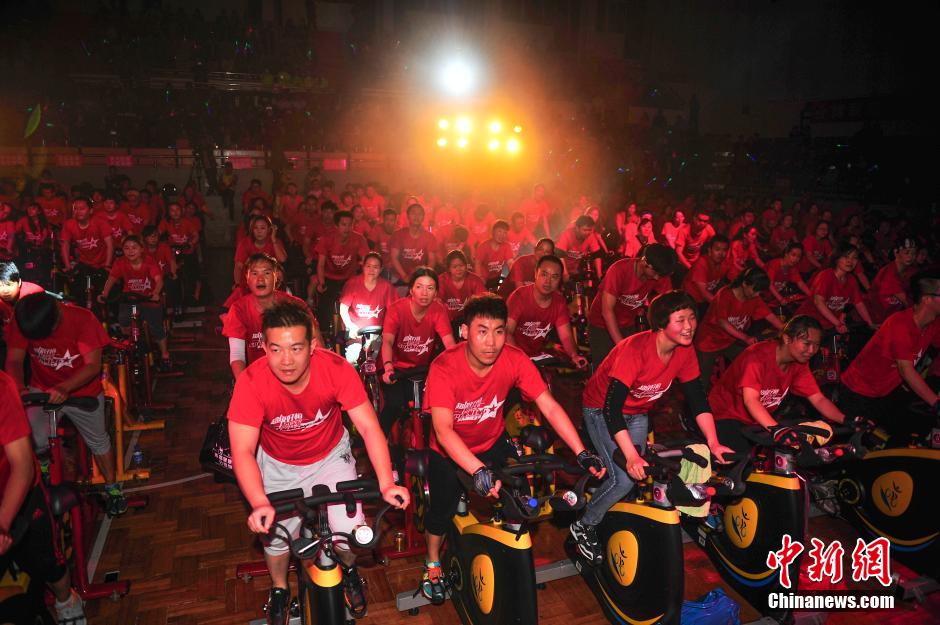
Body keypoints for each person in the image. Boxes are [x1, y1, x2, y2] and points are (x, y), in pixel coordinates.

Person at [227, 301, 409, 624]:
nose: (286, 361)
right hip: (279, 463)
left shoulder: (336, 369)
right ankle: (281, 588)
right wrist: (258, 502)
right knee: (277, 539)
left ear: (312, 345)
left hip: (329, 456)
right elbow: (242, 450)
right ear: (265, 348)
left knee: (349, 534)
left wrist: (386, 482)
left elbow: (368, 427)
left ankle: (349, 569)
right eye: (276, 349)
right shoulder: (251, 383)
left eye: (296, 348)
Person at [421, 293, 604, 598]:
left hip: (492, 442)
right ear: (464, 332)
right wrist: (477, 470)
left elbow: (550, 407)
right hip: (449, 452)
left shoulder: (515, 359)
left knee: (520, 498)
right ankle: (432, 562)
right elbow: (442, 430)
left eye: (498, 331)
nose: (491, 342)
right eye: (482, 331)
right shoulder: (444, 367)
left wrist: (581, 451)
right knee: (442, 511)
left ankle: (506, 550)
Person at [570, 291, 733, 563]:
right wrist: (631, 455)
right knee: (623, 477)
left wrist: (714, 442)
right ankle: (584, 524)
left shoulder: (684, 350)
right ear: (660, 324)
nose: (689, 326)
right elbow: (611, 409)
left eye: (692, 318)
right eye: (680, 320)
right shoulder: (635, 350)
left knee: (636, 474)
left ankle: (609, 505)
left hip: (637, 413)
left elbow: (697, 399)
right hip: (600, 411)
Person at [4, 293, 127, 516]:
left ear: (57, 318)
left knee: (98, 440)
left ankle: (113, 489)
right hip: (41, 388)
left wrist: (65, 388)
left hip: (82, 390)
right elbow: (14, 359)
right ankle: (42, 473)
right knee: (32, 436)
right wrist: (19, 387)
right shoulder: (23, 318)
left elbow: (92, 366)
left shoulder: (83, 319)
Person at [0, 369, 86, 624]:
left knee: (47, 562)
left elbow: (23, 466)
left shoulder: (2, 387)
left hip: (16, 495)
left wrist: (3, 523)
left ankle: (67, 602)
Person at [709, 315, 846, 454]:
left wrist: (846, 419)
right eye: (806, 343)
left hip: (754, 421)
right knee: (743, 464)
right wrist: (777, 429)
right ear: (787, 339)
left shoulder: (798, 363)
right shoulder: (756, 357)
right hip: (724, 415)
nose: (811, 350)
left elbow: (818, 399)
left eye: (816, 345)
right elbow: (751, 400)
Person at [839, 271, 940, 444]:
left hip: (884, 392)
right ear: (927, 299)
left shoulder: (932, 324)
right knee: (852, 446)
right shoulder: (900, 324)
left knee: (905, 433)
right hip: (858, 391)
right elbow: (906, 370)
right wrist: (937, 404)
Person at [379, 268, 456, 435]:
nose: (424, 293)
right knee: (394, 406)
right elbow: (387, 341)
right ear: (411, 289)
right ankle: (376, 444)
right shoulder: (397, 309)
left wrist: (458, 366)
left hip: (423, 369)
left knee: (435, 409)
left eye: (430, 288)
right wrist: (388, 367)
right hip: (396, 368)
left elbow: (449, 342)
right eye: (419, 287)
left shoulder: (438, 309)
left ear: (436, 292)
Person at [223, 254, 319, 379]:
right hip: (259, 377)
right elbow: (237, 355)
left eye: (267, 273)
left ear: (276, 276)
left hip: (296, 374)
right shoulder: (238, 309)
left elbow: (318, 345)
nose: (260, 279)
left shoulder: (296, 305)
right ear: (247, 278)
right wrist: (244, 385)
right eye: (254, 274)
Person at [695, 267, 784, 391]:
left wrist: (785, 329)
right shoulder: (725, 294)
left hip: (729, 340)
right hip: (709, 341)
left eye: (760, 292)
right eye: (755, 290)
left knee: (750, 361)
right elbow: (723, 322)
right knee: (701, 382)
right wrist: (745, 337)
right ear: (745, 284)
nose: (757, 294)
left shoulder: (754, 299)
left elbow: (769, 315)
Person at [586, 244, 677, 365]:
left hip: (627, 324)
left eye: (660, 275)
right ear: (644, 262)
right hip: (601, 324)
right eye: (655, 273)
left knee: (628, 365)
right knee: (605, 366)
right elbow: (607, 311)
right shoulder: (619, 270)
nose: (657, 278)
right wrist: (622, 345)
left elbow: (669, 304)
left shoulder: (659, 272)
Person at [98, 236, 173, 368]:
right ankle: (130, 346)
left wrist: (155, 293)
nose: (130, 251)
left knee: (156, 327)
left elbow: (159, 280)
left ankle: (165, 355)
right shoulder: (120, 263)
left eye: (134, 248)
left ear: (141, 249)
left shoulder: (149, 262)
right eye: (126, 248)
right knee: (124, 321)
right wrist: (104, 294)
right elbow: (111, 279)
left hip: (148, 300)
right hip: (130, 300)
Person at [506, 255, 587, 367]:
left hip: (536, 356)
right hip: (512, 357)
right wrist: (519, 361)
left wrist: (574, 355)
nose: (548, 281)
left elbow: (566, 336)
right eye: (544, 274)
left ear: (559, 280)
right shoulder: (519, 296)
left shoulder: (559, 302)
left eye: (554, 277)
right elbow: (507, 332)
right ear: (535, 274)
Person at [795, 242, 878, 334]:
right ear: (837, 258)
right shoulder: (826, 275)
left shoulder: (851, 280)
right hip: (807, 323)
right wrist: (838, 324)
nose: (850, 261)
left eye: (854, 258)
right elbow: (819, 302)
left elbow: (859, 303)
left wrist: (870, 323)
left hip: (829, 325)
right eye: (846, 257)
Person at [313, 210, 370, 333]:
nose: (347, 228)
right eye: (344, 225)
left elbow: (367, 260)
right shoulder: (326, 239)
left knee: (356, 305)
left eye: (350, 225)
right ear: (336, 226)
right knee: (325, 307)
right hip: (329, 277)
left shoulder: (359, 239)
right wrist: (321, 282)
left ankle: (353, 331)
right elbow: (321, 264)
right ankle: (324, 334)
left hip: (350, 278)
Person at [338, 252, 397, 364]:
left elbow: (393, 312)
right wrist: (350, 325)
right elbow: (343, 307)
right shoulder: (353, 283)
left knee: (377, 360)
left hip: (378, 335)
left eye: (375, 267)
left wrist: (388, 330)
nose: (371, 270)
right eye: (368, 266)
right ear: (363, 266)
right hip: (356, 335)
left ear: (381, 269)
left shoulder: (387, 287)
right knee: (353, 360)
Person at [60, 197, 113, 301]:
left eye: (82, 208)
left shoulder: (100, 223)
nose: (78, 211)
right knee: (79, 294)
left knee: (102, 296)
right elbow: (65, 245)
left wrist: (107, 265)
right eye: (75, 209)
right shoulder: (69, 224)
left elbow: (110, 245)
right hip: (84, 263)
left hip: (102, 264)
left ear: (91, 210)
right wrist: (67, 266)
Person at [868, 238, 917, 323]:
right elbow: (907, 304)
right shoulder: (889, 274)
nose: (910, 256)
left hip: (893, 314)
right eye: (906, 252)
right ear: (896, 252)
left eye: (913, 253)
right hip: (878, 320)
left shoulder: (910, 270)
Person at [437, 250, 486, 333]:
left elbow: (484, 302)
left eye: (461, 265)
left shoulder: (475, 280)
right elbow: (437, 302)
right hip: (446, 321)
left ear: (466, 266)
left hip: (469, 320)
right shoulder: (442, 280)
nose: (458, 269)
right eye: (454, 267)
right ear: (449, 268)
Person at [389, 204, 438, 285]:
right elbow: (394, 258)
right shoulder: (398, 234)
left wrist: (423, 276)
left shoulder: (430, 237)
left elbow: (432, 260)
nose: (416, 216)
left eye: (419, 214)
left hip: (420, 276)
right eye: (413, 213)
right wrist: (404, 276)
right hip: (399, 276)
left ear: (423, 217)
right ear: (408, 216)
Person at [233, 215, 288, 287]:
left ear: (269, 229)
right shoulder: (245, 243)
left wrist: (273, 240)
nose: (259, 231)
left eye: (262, 228)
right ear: (252, 230)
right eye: (256, 228)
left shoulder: (275, 241)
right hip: (249, 281)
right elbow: (238, 266)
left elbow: (282, 259)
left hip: (271, 281)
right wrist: (237, 284)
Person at [682, 235, 730, 311]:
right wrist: (724, 307)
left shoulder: (725, 263)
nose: (721, 253)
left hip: (706, 299)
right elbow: (704, 294)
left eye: (724, 250)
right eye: (717, 249)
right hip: (691, 300)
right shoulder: (701, 264)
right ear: (709, 251)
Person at [474, 220, 514, 286]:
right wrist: (480, 278)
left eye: (505, 233)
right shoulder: (483, 246)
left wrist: (514, 277)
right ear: (493, 232)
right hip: (484, 278)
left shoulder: (506, 246)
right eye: (499, 231)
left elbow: (510, 263)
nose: (502, 235)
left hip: (497, 278)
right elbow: (477, 263)